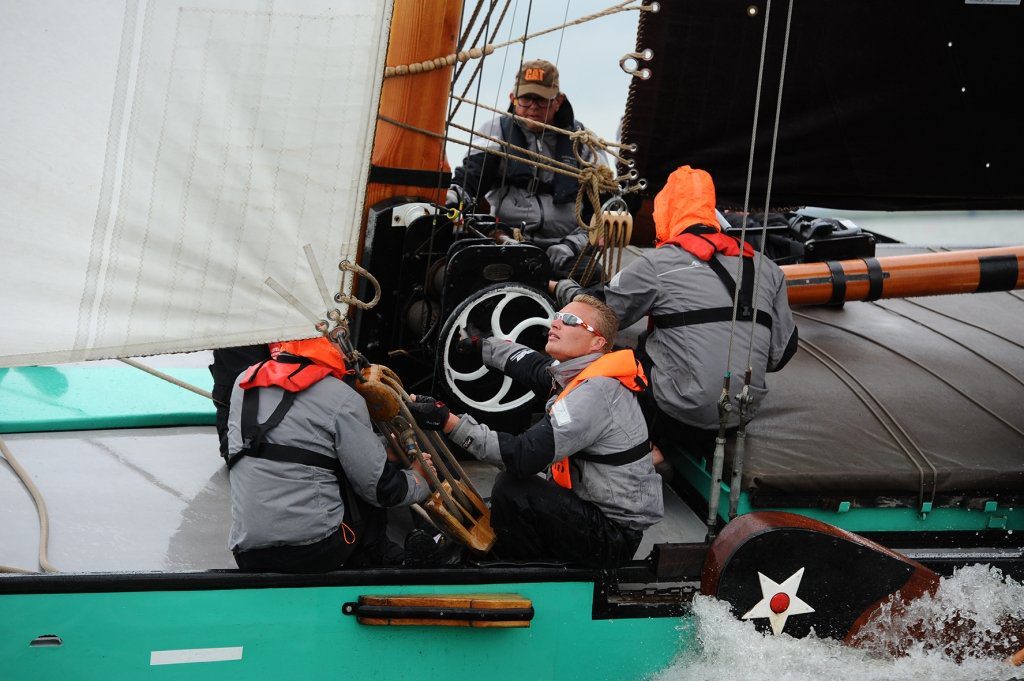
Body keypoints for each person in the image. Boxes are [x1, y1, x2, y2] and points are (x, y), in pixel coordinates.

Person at [552, 166, 798, 457]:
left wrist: (560, 287)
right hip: (739, 417)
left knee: (612, 349)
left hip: (676, 418)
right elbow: (780, 354)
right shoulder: (768, 268)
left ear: (664, 213)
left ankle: (646, 449)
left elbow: (595, 315)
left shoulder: (658, 263)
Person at [409, 295, 663, 568]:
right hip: (588, 510)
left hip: (611, 539)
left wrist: (447, 421)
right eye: (557, 316)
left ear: (597, 343)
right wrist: (482, 346)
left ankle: (506, 568)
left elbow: (522, 456)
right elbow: (529, 364)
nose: (556, 323)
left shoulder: (596, 394)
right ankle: (458, 549)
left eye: (570, 321)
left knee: (513, 490)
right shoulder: (576, 374)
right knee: (496, 503)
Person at [224, 337, 432, 573]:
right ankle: (379, 558)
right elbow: (379, 488)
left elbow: (294, 440)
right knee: (362, 481)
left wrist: (381, 449)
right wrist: (419, 478)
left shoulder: (243, 384)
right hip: (315, 552)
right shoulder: (342, 397)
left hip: (248, 553)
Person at [449, 59, 606, 276]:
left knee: (594, 276)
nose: (533, 107)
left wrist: (570, 246)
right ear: (513, 98)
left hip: (563, 248)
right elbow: (470, 179)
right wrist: (453, 197)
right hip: (505, 242)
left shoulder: (583, 143)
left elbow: (600, 210)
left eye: (541, 100)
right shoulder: (495, 132)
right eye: (526, 99)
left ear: (558, 101)